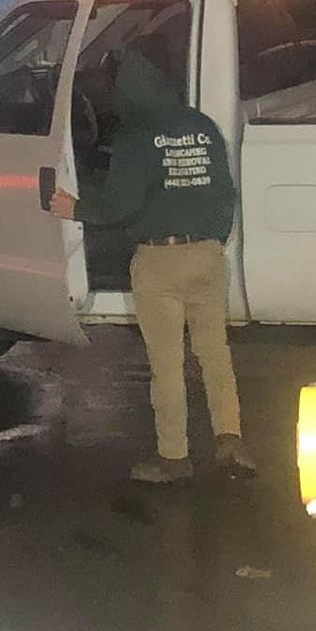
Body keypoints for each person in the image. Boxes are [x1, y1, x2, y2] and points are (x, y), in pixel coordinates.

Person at [49, 51, 255, 483]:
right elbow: (224, 192)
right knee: (214, 353)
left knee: (167, 364)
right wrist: (213, 237)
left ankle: (174, 459)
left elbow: (120, 206)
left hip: (160, 261)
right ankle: (230, 440)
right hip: (207, 256)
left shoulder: (134, 137)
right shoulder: (202, 127)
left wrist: (75, 208)